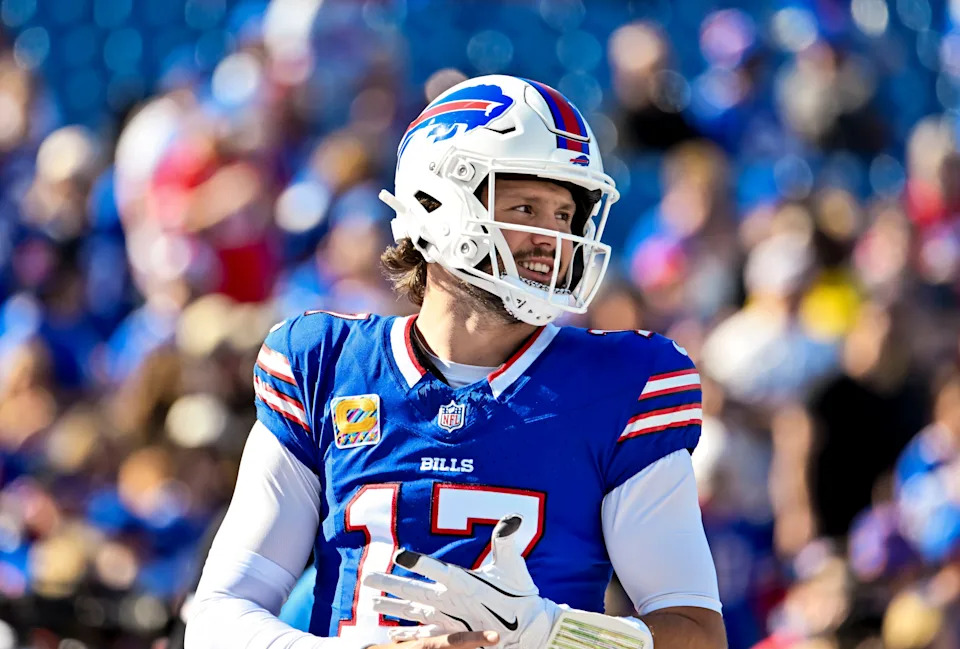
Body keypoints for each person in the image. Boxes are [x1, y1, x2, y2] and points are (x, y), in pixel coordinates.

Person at [185, 74, 726, 649]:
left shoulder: (622, 384)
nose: (552, 238)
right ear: (436, 203)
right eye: (526, 207)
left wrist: (548, 636)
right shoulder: (324, 365)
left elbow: (694, 633)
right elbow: (220, 618)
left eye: (564, 216)